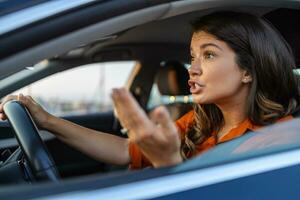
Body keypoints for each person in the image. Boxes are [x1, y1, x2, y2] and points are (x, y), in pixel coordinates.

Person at [0, 11, 299, 170]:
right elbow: (121, 150)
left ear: (248, 70)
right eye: (192, 57)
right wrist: (47, 120)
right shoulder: (200, 124)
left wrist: (167, 163)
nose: (192, 69)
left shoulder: (281, 139)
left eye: (208, 55)